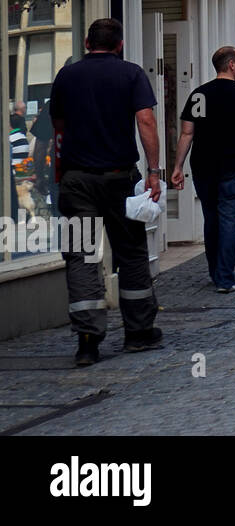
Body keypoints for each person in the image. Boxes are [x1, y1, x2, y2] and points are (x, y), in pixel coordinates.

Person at [49, 18, 164, 366]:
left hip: (76, 181)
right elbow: (146, 121)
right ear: (120, 44)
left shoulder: (66, 76)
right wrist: (154, 172)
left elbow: (58, 124)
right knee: (130, 252)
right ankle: (139, 333)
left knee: (81, 255)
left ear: (86, 42)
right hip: (120, 180)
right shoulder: (131, 74)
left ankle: (87, 340)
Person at [170, 46, 235, 293]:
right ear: (230, 65)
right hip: (233, 167)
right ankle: (225, 277)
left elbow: (187, 133)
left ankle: (215, 271)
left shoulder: (199, 95)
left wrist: (177, 166)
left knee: (211, 218)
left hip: (203, 166)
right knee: (229, 221)